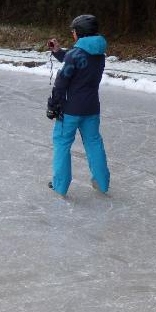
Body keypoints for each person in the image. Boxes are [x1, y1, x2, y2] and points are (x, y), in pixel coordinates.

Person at [46, 14, 110, 197]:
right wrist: (59, 52)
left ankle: (60, 185)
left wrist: (53, 105)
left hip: (71, 110)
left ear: (79, 33)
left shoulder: (75, 54)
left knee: (62, 143)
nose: (72, 34)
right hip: (91, 108)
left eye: (73, 31)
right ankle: (102, 182)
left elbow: (61, 82)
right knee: (94, 143)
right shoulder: (99, 54)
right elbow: (78, 61)